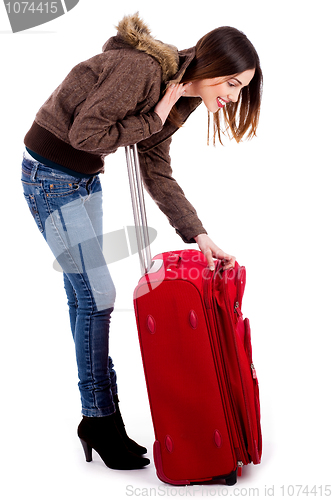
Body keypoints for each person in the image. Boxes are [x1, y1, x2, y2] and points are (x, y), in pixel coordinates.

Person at [21, 13, 263, 471]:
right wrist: (151, 117)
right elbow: (85, 134)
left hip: (82, 181)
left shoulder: (181, 98)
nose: (232, 97)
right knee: (98, 299)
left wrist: (199, 235)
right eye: (230, 84)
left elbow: (156, 170)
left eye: (240, 90)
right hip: (50, 178)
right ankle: (98, 416)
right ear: (209, 64)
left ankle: (102, 419)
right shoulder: (145, 72)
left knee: (85, 299)